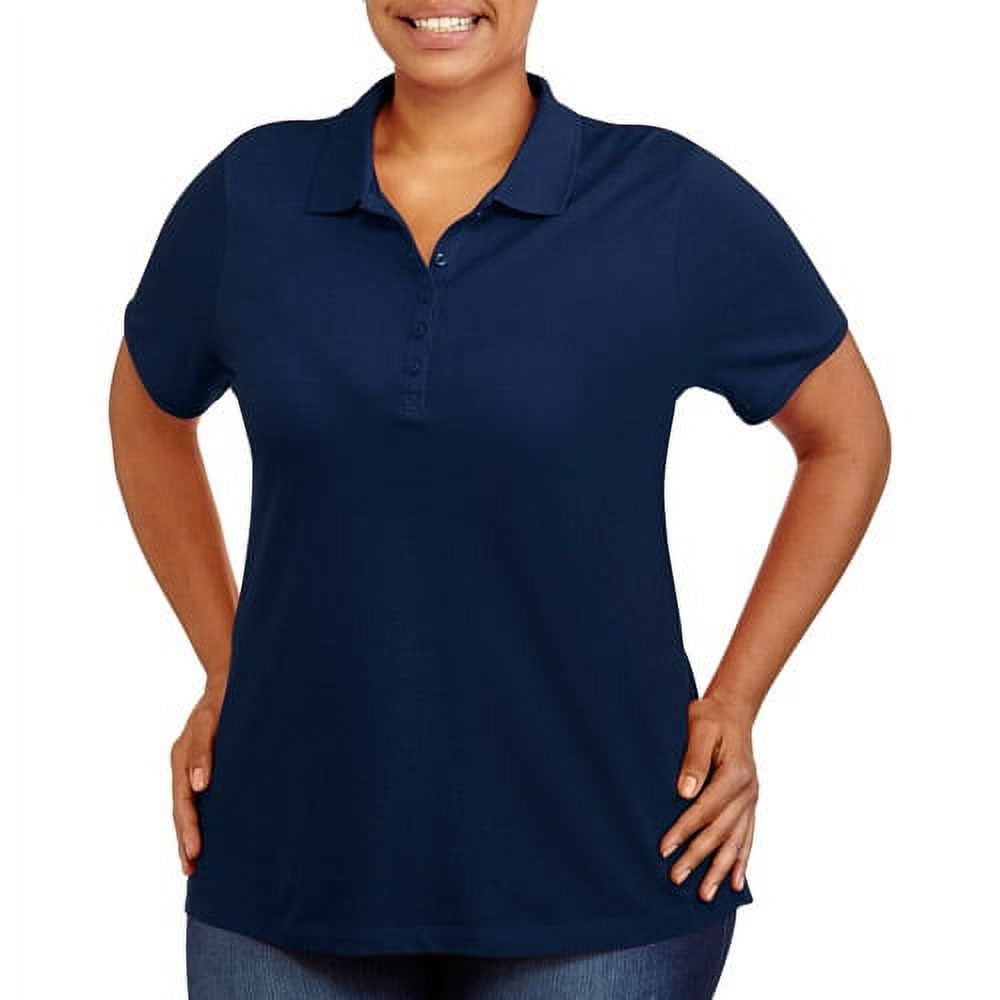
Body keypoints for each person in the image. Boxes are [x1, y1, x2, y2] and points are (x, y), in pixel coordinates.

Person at [108, 2, 890, 997]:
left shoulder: (667, 202)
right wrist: (229, 666)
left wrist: (736, 699)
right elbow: (146, 414)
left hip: (602, 873)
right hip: (289, 858)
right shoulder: (251, 195)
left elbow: (847, 437)